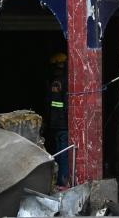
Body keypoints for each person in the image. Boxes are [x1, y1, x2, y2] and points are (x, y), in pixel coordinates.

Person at [46, 53, 69, 188]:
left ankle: (59, 180)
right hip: (63, 125)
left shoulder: (53, 82)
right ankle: (63, 180)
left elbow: (49, 103)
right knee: (64, 153)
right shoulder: (65, 81)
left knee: (58, 152)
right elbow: (66, 105)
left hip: (55, 124)